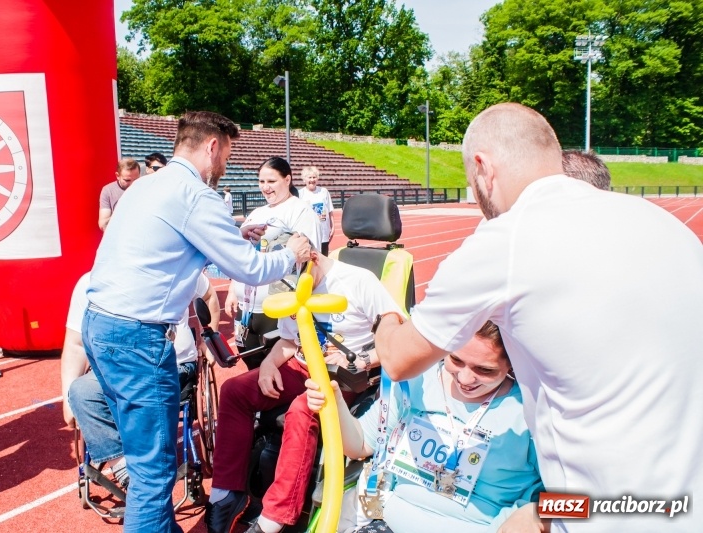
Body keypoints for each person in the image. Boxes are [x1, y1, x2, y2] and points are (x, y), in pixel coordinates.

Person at [373, 103, 703, 532]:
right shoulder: (665, 225)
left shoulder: (506, 240)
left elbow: (398, 361)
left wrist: (384, 311)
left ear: (483, 168)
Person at [83, 110, 311, 533]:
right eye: (227, 155)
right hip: (137, 337)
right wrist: (291, 254)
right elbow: (251, 270)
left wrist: (232, 237)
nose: (225, 164)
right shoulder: (197, 195)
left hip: (99, 326)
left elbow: (166, 246)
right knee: (153, 471)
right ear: (212, 146)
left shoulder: (144, 186)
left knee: (143, 456)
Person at [206, 239, 402, 533]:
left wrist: (361, 359)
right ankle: (227, 494)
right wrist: (269, 364)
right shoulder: (288, 288)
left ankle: (274, 518)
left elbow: (397, 334)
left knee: (302, 409)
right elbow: (288, 340)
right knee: (234, 391)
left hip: (342, 373)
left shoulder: (359, 281)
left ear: (312, 258)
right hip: (301, 364)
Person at [307, 322, 546, 533]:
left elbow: (570, 502)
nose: (464, 379)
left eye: (484, 370)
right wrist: (334, 404)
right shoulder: (419, 381)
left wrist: (536, 512)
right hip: (388, 523)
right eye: (456, 360)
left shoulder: (533, 413)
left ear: (512, 364)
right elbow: (359, 444)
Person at [61, 271, 220, 490]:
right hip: (114, 370)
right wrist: (67, 398)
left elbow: (209, 296)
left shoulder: (176, 267)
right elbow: (76, 344)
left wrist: (208, 339)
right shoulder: (90, 282)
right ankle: (124, 469)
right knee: (81, 392)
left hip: (173, 367)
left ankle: (145, 467)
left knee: (142, 397)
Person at [224, 157, 321, 369]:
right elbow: (242, 255)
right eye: (261, 182)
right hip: (246, 310)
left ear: (287, 179)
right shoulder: (258, 213)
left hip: (279, 309)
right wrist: (232, 289)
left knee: (278, 372)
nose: (265, 187)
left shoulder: (300, 211)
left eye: (271, 181)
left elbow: (311, 260)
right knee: (252, 368)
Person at [298, 166, 334, 256]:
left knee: (324, 258)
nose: (312, 180)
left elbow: (330, 210)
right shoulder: (300, 194)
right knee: (310, 259)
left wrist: (332, 226)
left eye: (314, 177)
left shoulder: (324, 191)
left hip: (323, 232)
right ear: (304, 179)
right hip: (308, 234)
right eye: (309, 177)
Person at [98, 158, 141, 231]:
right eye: (127, 180)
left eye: (136, 180)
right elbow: (103, 224)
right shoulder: (108, 191)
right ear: (117, 176)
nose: (132, 184)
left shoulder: (144, 188)